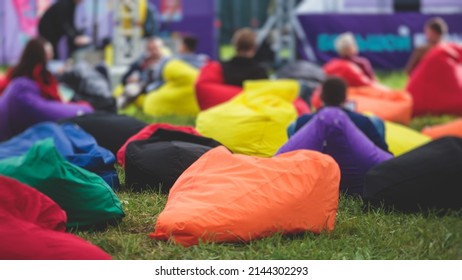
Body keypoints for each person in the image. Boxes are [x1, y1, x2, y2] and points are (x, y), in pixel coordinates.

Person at [288, 77, 389, 152]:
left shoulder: (303, 122)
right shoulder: (363, 122)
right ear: (345, 98)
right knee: (376, 121)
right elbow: (382, 152)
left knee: (292, 126)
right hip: (357, 175)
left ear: (321, 97)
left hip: (315, 174)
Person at [118, 37, 168, 108]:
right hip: (136, 86)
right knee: (131, 88)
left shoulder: (166, 62)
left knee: (133, 88)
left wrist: (141, 81)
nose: (153, 52)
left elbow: (162, 81)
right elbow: (125, 77)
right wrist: (129, 80)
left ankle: (118, 105)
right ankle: (116, 106)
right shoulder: (142, 60)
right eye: (150, 49)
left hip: (153, 88)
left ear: (162, 48)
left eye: (156, 48)